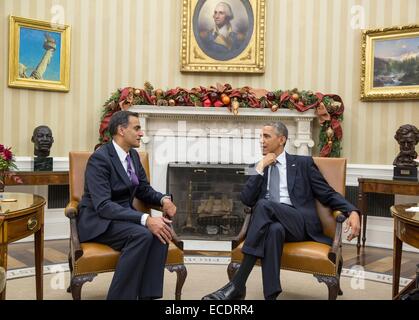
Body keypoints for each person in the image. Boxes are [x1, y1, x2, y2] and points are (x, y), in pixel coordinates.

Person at [202, 121, 361, 300]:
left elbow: (328, 194)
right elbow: (246, 199)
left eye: (266, 136)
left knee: (263, 205)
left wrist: (352, 211)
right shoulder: (257, 166)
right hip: (271, 222)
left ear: (282, 139)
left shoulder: (303, 163)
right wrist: (261, 167)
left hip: (299, 223)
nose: (261, 141)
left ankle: (237, 285)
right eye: (260, 136)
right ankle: (271, 294)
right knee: (273, 230)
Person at [77, 110, 177, 300]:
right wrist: (146, 219)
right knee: (141, 235)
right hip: (99, 221)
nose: (141, 133)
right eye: (137, 128)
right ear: (121, 130)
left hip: (122, 217)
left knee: (160, 233)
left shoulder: (133, 156)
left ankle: (147, 296)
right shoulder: (100, 159)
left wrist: (163, 199)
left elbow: (143, 190)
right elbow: (104, 206)